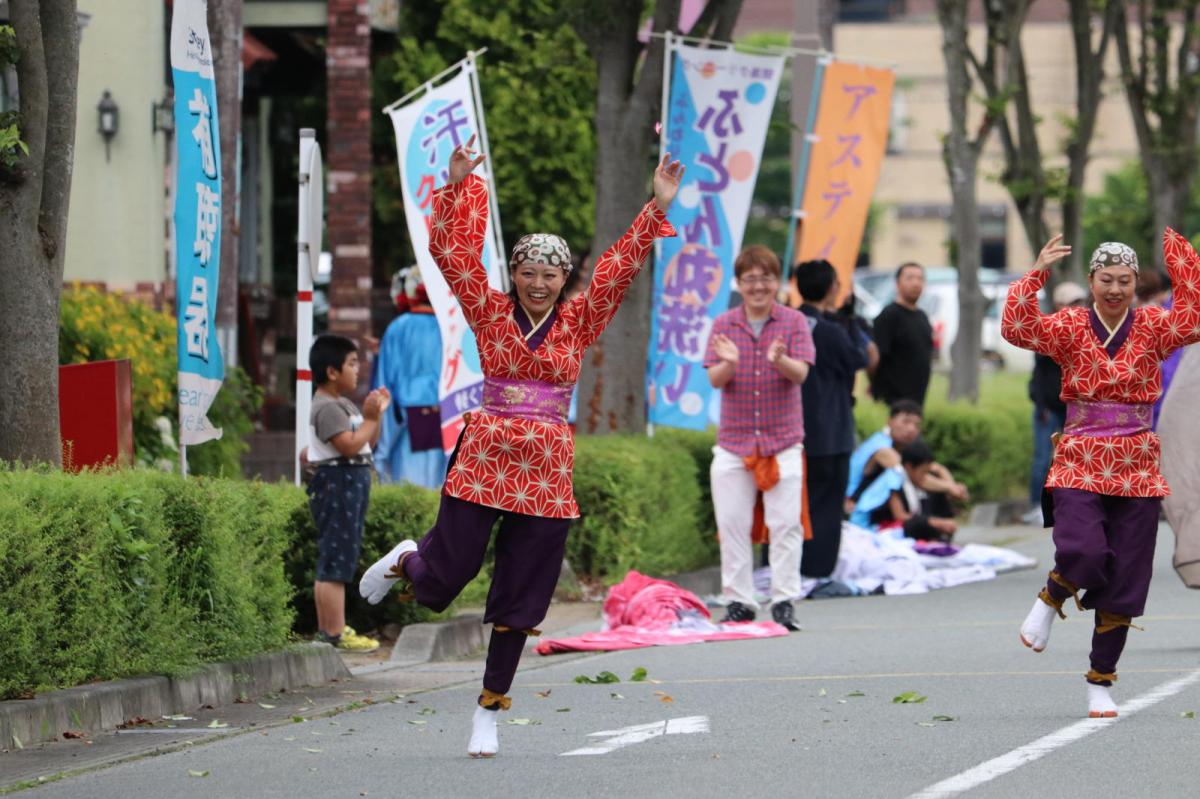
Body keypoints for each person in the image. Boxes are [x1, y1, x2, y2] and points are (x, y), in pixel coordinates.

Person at [359, 135, 683, 757]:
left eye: (550, 274)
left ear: (565, 278)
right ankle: (408, 560)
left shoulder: (581, 317)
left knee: (521, 593)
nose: (538, 283)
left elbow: (617, 267)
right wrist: (458, 188)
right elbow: (453, 258)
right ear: (515, 273)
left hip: (546, 469)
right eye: (529, 272)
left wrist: (653, 206)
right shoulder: (489, 310)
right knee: (441, 584)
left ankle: (489, 708)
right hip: (486, 458)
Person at [1002, 232, 1200, 718]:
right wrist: (1037, 272)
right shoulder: (1069, 325)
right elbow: (1015, 327)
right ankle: (1051, 597)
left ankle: (1100, 681)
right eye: (1106, 280)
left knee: (1127, 576)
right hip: (1081, 456)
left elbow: (1193, 321)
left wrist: (1185, 266)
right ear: (1091, 281)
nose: (1115, 289)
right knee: (1084, 551)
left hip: (1136, 462)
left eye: (1125, 281)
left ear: (1136, 284)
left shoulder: (1153, 324)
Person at [703, 245, 815, 630]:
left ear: (777, 281)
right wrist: (730, 363)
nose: (758, 286)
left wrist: (780, 360)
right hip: (734, 442)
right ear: (739, 283)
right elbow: (713, 378)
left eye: (766, 278)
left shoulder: (794, 321)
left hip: (782, 440)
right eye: (750, 279)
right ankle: (739, 600)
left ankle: (784, 600)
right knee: (731, 524)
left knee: (786, 525)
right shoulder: (723, 325)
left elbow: (801, 374)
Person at [307, 335, 390, 653]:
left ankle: (332, 630)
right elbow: (349, 445)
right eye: (352, 364)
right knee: (335, 559)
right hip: (336, 483)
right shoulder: (326, 407)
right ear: (331, 371)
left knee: (340, 555)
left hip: (349, 484)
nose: (358, 370)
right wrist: (369, 419)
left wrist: (375, 416)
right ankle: (334, 632)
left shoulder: (342, 404)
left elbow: (369, 442)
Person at [795, 259, 870, 578]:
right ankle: (818, 569)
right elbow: (859, 358)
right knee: (826, 505)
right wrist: (849, 321)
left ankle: (784, 566)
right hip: (830, 429)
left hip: (792, 428)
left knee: (793, 503)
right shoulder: (830, 330)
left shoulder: (788, 322)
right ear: (830, 288)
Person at [372, 277, 447, 489]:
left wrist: (381, 447)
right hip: (444, 413)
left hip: (405, 414)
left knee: (404, 483)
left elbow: (384, 382)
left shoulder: (398, 328)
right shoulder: (449, 328)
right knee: (440, 485)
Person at [1024, 281, 1088, 525]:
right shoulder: (1050, 329)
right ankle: (1035, 506)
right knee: (1043, 458)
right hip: (1049, 407)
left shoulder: (1087, 331)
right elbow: (1039, 376)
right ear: (1060, 305)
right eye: (1072, 303)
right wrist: (1040, 406)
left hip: (1074, 409)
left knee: (1072, 459)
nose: (1078, 307)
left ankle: (1068, 504)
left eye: (1080, 302)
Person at [849, 440, 958, 540]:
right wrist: (934, 522)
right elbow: (900, 516)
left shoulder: (908, 480)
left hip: (888, 528)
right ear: (909, 467)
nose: (925, 477)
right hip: (867, 530)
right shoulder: (893, 479)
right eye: (923, 472)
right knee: (920, 525)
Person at [871, 262, 933, 407]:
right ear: (897, 283)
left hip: (917, 401)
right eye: (910, 278)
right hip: (892, 402)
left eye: (920, 279)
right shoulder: (888, 316)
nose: (916, 283)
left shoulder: (922, 316)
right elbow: (874, 358)